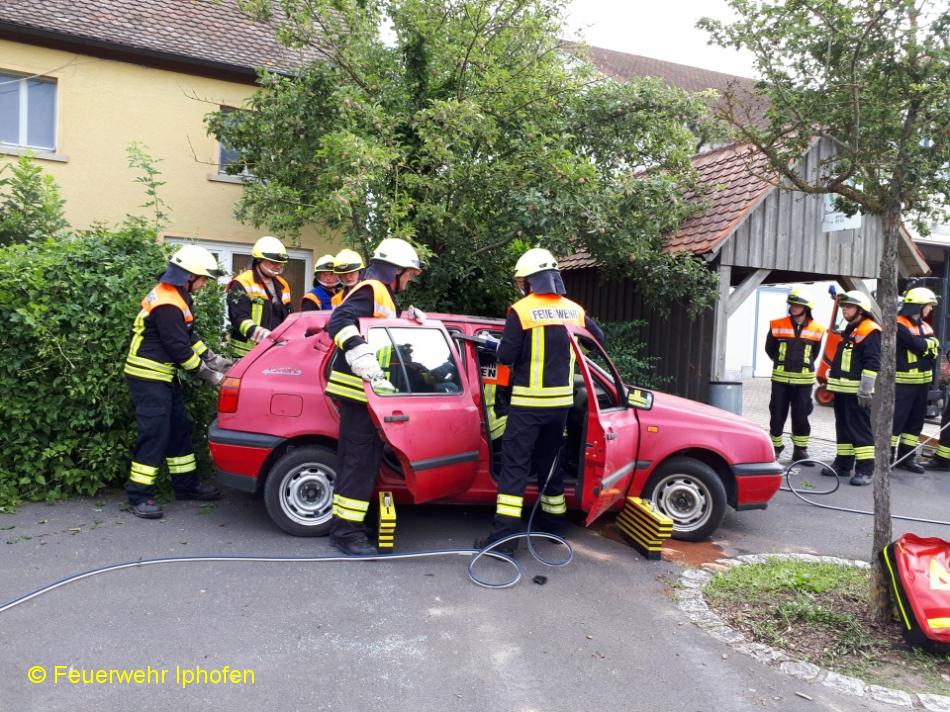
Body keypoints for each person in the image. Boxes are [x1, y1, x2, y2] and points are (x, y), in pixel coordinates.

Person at [476, 247, 604, 552]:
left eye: (522, 281)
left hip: (527, 406)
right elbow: (598, 340)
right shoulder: (573, 310)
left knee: (515, 470)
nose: (521, 286)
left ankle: (504, 541)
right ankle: (554, 527)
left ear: (531, 280)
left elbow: (506, 357)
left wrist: (495, 346)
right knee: (550, 465)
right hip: (559, 408)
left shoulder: (521, 311)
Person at [325, 238, 423, 555]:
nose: (409, 280)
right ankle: (346, 534)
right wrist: (357, 351)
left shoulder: (382, 295)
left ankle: (346, 525)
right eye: (409, 274)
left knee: (356, 464)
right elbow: (338, 321)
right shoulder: (372, 289)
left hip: (364, 395)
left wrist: (405, 317)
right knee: (359, 465)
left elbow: (374, 328)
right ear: (395, 271)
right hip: (358, 394)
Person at [123, 245, 232, 519]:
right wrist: (212, 376)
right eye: (203, 279)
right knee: (155, 434)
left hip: (163, 375)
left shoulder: (176, 296)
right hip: (148, 376)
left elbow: (188, 336)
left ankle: (185, 486)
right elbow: (180, 350)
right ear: (188, 277)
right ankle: (139, 495)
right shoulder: (168, 304)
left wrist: (214, 359)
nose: (205, 284)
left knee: (179, 429)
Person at [764, 287, 826, 461]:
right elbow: (769, 348)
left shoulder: (817, 328)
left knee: (801, 416)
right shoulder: (777, 324)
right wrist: (781, 362)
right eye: (792, 304)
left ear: (806, 308)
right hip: (780, 380)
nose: (793, 307)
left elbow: (814, 353)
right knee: (777, 414)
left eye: (797, 305)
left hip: (804, 382)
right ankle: (775, 447)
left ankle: (800, 451)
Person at [826, 290, 881, 487]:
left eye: (848, 307)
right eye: (843, 306)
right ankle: (843, 464)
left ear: (860, 309)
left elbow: (872, 363)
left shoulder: (870, 330)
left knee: (860, 430)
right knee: (843, 428)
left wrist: (865, 391)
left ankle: (865, 470)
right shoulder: (851, 329)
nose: (844, 310)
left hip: (856, 391)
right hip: (842, 389)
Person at [893, 287, 940, 473]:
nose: (930, 309)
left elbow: (934, 349)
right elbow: (917, 345)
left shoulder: (926, 326)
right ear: (919, 306)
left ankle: (906, 459)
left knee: (915, 423)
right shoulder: (899, 324)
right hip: (903, 383)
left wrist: (927, 346)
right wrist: (928, 345)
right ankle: (886, 459)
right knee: (896, 422)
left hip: (922, 383)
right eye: (929, 305)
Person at [227, 236, 293, 357]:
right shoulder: (242, 283)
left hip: (274, 351)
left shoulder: (283, 284)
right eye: (273, 262)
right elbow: (239, 319)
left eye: (280, 263)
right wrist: (265, 336)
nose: (278, 266)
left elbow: (288, 317)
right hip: (245, 353)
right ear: (259, 260)